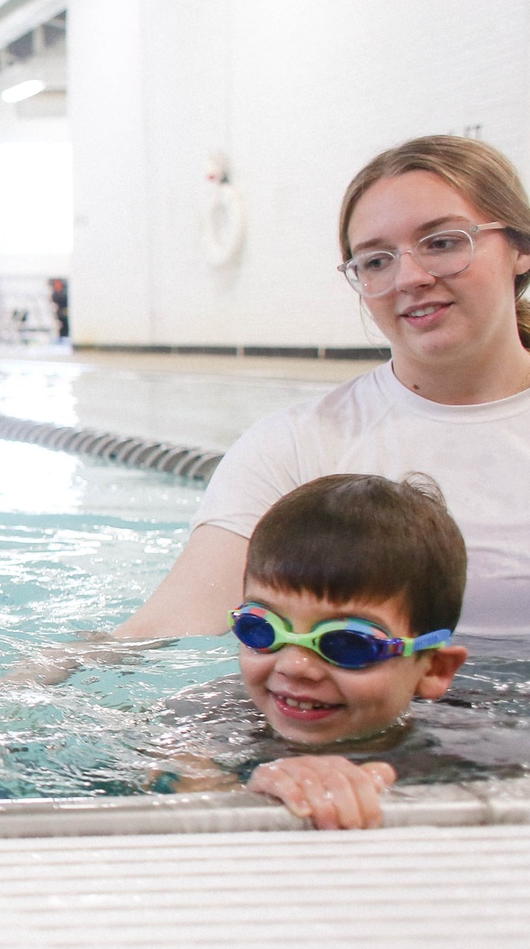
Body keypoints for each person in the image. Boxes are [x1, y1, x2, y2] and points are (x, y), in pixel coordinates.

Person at [122, 136, 530, 643]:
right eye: (376, 261)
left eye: (442, 243)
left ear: (520, 248)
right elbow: (167, 629)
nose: (410, 277)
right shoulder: (296, 446)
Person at [153, 474, 469, 829]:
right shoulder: (205, 717)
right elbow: (176, 767)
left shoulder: (469, 752)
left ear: (433, 670)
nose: (295, 666)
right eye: (261, 629)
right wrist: (241, 789)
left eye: (348, 643)